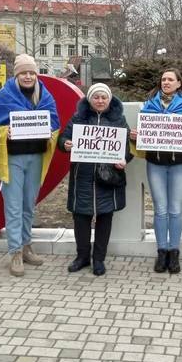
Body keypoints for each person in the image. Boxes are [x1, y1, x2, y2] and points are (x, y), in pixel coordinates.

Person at [0, 54, 60, 277]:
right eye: (23, 73)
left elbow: (54, 122)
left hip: (36, 156)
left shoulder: (45, 96)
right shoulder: (4, 96)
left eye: (31, 72)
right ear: (16, 75)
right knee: (14, 206)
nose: (28, 76)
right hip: (13, 159)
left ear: (36, 74)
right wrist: (4, 132)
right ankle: (15, 251)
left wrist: (49, 132)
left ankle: (26, 246)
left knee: (29, 204)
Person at [130, 69, 182, 274]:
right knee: (160, 209)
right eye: (163, 79)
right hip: (155, 163)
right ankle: (162, 251)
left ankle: (174, 251)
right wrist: (136, 136)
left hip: (179, 163)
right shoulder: (148, 105)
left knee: (175, 209)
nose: (166, 82)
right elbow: (143, 132)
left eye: (170, 79)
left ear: (179, 83)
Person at [58, 83, 132, 276]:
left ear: (109, 99)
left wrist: (124, 159)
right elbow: (63, 138)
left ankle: (98, 259)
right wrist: (65, 144)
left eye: (103, 97)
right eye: (96, 97)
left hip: (107, 178)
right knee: (80, 218)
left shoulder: (118, 120)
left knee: (104, 219)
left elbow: (126, 148)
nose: (100, 101)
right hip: (82, 176)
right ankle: (82, 257)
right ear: (90, 99)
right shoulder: (78, 118)